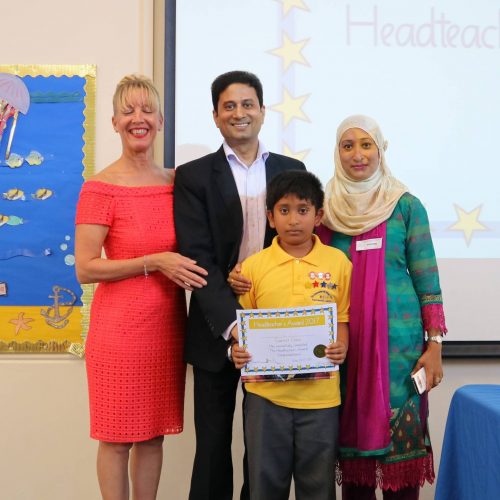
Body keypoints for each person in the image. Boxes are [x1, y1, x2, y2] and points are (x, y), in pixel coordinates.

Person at [173, 70, 306, 500]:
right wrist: (235, 327)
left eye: (248, 104)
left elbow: (299, 245)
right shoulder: (193, 176)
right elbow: (197, 257)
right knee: (212, 448)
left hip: (278, 329)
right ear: (215, 116)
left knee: (265, 450)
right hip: (216, 329)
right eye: (228, 106)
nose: (239, 113)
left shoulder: (291, 170)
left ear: (263, 111)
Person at [74, 74, 208, 500]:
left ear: (161, 120)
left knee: (153, 435)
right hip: (118, 333)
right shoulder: (100, 187)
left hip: (166, 328)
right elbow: (85, 268)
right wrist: (153, 262)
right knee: (116, 439)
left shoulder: (176, 184)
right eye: (128, 110)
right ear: (114, 122)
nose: (139, 118)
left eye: (147, 110)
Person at [319, 114, 447, 500]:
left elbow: (427, 280)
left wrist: (435, 346)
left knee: (401, 474)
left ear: (380, 150)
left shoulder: (405, 206)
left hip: (400, 350)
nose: (357, 154)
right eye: (347, 146)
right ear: (337, 152)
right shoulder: (324, 211)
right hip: (345, 348)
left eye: (366, 145)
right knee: (355, 474)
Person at [230, 170, 352, 500]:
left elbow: (342, 318)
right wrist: (237, 350)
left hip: (321, 398)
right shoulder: (253, 267)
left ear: (318, 216)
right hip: (266, 399)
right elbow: (244, 328)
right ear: (270, 217)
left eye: (303, 210)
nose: (294, 219)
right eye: (284, 210)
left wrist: (341, 346)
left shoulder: (338, 263)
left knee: (318, 487)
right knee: (265, 485)